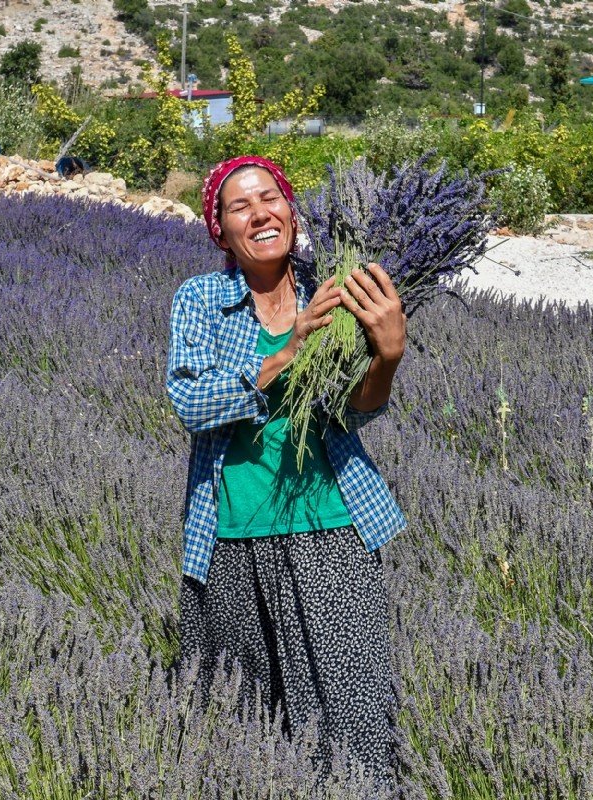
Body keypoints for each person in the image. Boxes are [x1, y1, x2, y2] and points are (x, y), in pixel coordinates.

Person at [165, 155, 407, 783]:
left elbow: (356, 409)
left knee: (357, 713)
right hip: (234, 537)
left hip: (331, 531)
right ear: (220, 229)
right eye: (239, 207)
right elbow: (191, 403)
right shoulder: (200, 300)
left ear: (292, 211)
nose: (260, 214)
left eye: (269, 199)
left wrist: (388, 355)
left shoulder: (336, 288)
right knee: (252, 725)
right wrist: (285, 352)